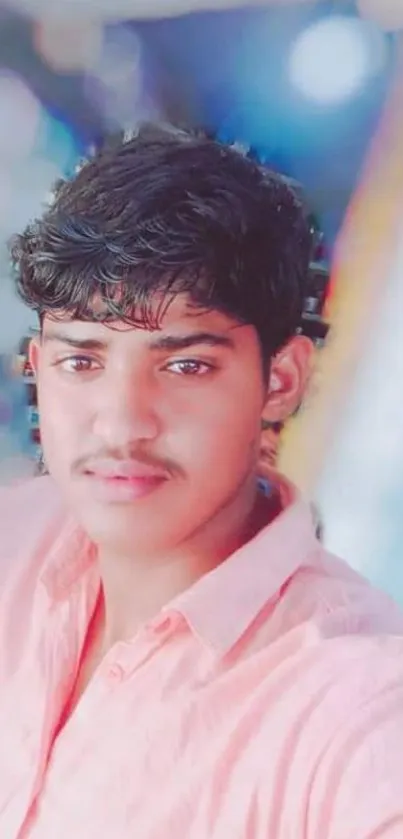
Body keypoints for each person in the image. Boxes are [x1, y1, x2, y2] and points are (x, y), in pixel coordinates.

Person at [1, 126, 402, 838]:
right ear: (38, 365)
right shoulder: (15, 538)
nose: (122, 423)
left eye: (183, 365)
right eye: (82, 362)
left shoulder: (358, 696)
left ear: (278, 381)